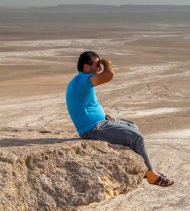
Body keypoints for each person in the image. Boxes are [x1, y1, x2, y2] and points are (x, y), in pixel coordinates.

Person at [66, 51, 174, 187]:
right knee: (137, 137)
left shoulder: (81, 81)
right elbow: (109, 75)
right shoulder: (83, 80)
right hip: (92, 129)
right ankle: (151, 174)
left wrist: (102, 116)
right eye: (96, 64)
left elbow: (85, 105)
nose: (99, 68)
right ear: (86, 67)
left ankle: (144, 167)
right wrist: (107, 63)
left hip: (99, 122)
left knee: (131, 125)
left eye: (100, 64)